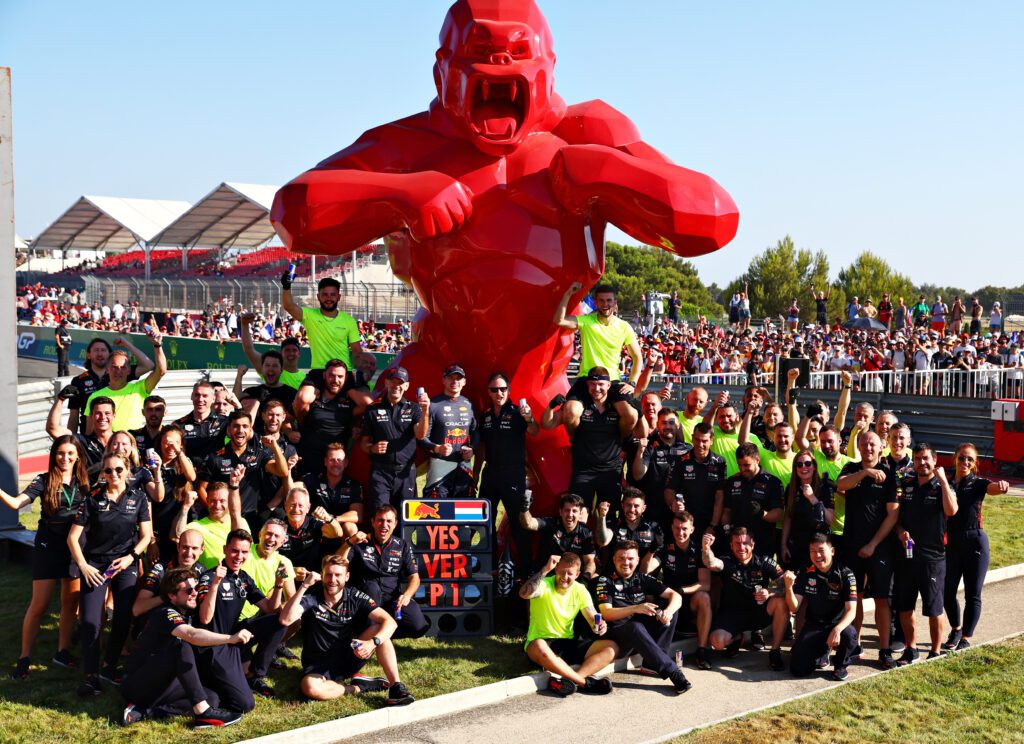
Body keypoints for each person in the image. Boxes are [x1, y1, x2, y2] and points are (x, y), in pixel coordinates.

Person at [66, 452, 153, 696]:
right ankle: (91, 676)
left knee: (123, 618)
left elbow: (146, 536)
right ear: (102, 473)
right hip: (95, 566)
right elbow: (72, 537)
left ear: (127, 470)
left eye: (118, 469)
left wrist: (131, 558)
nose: (113, 474)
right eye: (108, 470)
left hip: (125, 564)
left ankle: (109, 666)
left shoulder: (139, 497)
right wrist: (83, 566)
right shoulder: (92, 498)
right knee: (91, 621)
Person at [3, 436, 89, 680]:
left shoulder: (85, 482)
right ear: (54, 455)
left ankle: (62, 652)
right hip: (48, 546)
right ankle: (24, 657)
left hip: (75, 548)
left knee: (70, 602)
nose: (65, 458)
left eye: (70, 453)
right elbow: (17, 503)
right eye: (61, 453)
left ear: (78, 456)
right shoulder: (43, 480)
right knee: (39, 605)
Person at [279, 555, 415, 706]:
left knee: (380, 630)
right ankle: (358, 687)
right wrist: (304, 586)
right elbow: (285, 619)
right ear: (322, 575)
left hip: (349, 657)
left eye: (338, 575)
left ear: (347, 576)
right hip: (318, 665)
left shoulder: (354, 595)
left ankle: (396, 686)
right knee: (310, 688)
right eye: (328, 574)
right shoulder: (312, 596)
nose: (332, 580)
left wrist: (372, 643)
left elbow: (390, 622)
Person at [121, 568, 249, 728]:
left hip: (162, 684)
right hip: (138, 683)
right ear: (172, 596)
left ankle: (144, 712)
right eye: (188, 590)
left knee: (211, 698)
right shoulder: (164, 612)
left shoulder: (187, 614)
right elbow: (192, 635)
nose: (195, 593)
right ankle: (203, 714)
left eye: (195, 588)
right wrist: (231, 639)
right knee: (181, 644)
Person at [195, 529, 289, 704]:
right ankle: (213, 680)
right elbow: (205, 619)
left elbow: (270, 608)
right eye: (234, 550)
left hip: (237, 636)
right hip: (215, 644)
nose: (239, 556)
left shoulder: (243, 578)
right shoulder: (209, 577)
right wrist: (216, 584)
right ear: (224, 549)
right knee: (245, 703)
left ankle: (255, 674)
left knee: (280, 621)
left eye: (244, 552)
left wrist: (278, 585)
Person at [836, 430, 900, 669]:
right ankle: (855, 646)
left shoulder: (890, 476)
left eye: (872, 444)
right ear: (858, 447)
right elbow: (840, 485)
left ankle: (884, 651)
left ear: (881, 448)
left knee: (882, 599)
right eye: (864, 444)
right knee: (855, 598)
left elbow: (893, 515)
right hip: (851, 545)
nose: (868, 448)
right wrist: (864, 473)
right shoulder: (851, 468)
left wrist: (873, 545)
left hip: (880, 548)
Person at [593, 541, 690, 693]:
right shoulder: (605, 581)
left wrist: (668, 612)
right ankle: (672, 672)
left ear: (637, 560)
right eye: (621, 558)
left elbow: (676, 595)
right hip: (617, 637)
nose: (626, 563)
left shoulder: (642, 578)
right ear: (614, 560)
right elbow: (606, 613)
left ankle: (652, 663)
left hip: (641, 637)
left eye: (630, 559)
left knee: (669, 608)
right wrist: (636, 608)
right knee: (635, 626)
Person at [894, 443, 957, 664]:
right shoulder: (907, 484)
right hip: (907, 557)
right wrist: (901, 533)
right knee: (904, 605)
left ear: (935, 460)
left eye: (926, 459)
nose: (922, 463)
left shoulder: (942, 486)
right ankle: (911, 649)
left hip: (933, 558)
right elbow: (896, 520)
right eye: (918, 458)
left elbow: (952, 510)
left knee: (933, 608)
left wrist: (944, 481)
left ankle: (935, 652)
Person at [520, 553, 617, 696]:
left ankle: (567, 681)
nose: (565, 577)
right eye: (562, 572)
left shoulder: (580, 590)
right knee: (538, 644)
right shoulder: (544, 583)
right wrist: (545, 569)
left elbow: (591, 616)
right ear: (556, 569)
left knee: (611, 648)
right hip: (542, 645)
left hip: (567, 644)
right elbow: (524, 593)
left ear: (577, 574)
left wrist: (599, 625)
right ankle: (585, 683)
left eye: (570, 573)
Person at [943, 443, 1008, 652]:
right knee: (947, 591)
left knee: (973, 593)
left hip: (975, 542)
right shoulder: (945, 480)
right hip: (951, 543)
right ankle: (956, 628)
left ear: (975, 463)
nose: (965, 462)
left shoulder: (978, 483)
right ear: (955, 457)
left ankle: (966, 637)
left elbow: (993, 488)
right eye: (962, 458)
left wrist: (1002, 486)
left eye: (970, 459)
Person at [553, 283, 641, 435]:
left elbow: (637, 357)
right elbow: (559, 320)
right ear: (595, 302)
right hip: (586, 379)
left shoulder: (624, 326)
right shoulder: (587, 321)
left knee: (631, 416)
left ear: (615, 302)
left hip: (612, 381)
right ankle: (577, 443)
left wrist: (632, 383)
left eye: (608, 300)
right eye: (601, 300)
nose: (605, 304)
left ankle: (617, 446)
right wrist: (567, 294)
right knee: (570, 412)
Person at [541, 367, 628, 516]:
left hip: (610, 470)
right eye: (593, 385)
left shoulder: (617, 408)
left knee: (607, 518)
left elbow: (636, 425)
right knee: (579, 516)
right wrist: (551, 406)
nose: (597, 389)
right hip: (583, 470)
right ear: (587, 385)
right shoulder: (580, 406)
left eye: (601, 384)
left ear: (608, 385)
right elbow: (547, 424)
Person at [476, 371, 539, 578]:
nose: (499, 393)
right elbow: (481, 449)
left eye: (503, 389)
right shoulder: (484, 416)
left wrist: (529, 418)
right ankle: (490, 566)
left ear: (509, 391)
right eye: (494, 390)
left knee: (518, 522)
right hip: (490, 475)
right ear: (488, 392)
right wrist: (476, 475)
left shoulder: (518, 412)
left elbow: (535, 430)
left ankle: (525, 570)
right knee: (485, 523)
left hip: (513, 476)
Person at [701, 528, 791, 670]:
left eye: (745, 543)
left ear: (753, 544)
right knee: (717, 642)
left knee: (781, 602)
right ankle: (737, 638)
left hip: (759, 612)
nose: (741, 547)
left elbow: (785, 586)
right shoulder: (727, 561)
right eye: (737, 543)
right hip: (732, 613)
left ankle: (775, 651)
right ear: (731, 545)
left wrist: (769, 592)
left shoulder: (764, 561)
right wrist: (706, 548)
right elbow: (710, 562)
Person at [281, 274, 368, 420]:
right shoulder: (309, 315)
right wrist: (286, 286)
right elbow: (289, 306)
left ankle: (345, 425)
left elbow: (357, 351)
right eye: (325, 294)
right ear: (318, 297)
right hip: (318, 371)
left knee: (366, 404)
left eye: (333, 294)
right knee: (301, 400)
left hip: (343, 373)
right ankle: (304, 429)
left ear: (339, 297)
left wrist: (360, 375)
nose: (329, 298)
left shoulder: (349, 321)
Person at [341, 505, 428, 639]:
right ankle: (366, 632)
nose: (384, 525)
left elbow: (414, 577)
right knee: (372, 587)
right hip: (365, 599)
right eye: (380, 520)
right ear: (373, 522)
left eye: (389, 521)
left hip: (392, 599)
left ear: (395, 524)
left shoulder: (402, 545)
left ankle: (383, 632)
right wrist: (349, 543)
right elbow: (336, 562)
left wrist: (407, 595)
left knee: (418, 627)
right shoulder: (360, 542)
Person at [640, 511, 713, 669]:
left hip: (690, 600)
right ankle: (658, 656)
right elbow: (645, 571)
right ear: (672, 528)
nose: (680, 532)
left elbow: (705, 584)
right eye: (677, 528)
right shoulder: (666, 547)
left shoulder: (699, 550)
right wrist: (652, 550)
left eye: (684, 529)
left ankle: (702, 650)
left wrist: (682, 590)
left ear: (692, 529)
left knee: (704, 597)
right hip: (669, 601)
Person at [785, 534, 858, 680]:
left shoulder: (845, 573)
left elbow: (852, 611)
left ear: (832, 551)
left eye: (821, 550)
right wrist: (788, 588)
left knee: (850, 635)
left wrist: (837, 629)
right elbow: (794, 608)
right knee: (798, 669)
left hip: (837, 625)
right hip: (814, 625)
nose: (817, 555)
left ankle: (840, 666)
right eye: (812, 551)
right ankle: (821, 652)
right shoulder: (806, 571)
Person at [197, 410, 289, 526]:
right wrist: (217, 511)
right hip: (222, 520)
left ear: (251, 430)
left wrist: (275, 447)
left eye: (245, 426)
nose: (240, 430)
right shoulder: (215, 457)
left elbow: (283, 472)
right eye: (236, 426)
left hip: (249, 518)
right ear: (229, 429)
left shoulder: (258, 454)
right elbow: (201, 489)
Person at [360, 366, 424, 511]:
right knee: (380, 515)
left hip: (406, 472)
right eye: (393, 382)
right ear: (386, 383)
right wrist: (372, 448)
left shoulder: (414, 409)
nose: (396, 386)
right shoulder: (372, 408)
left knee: (405, 518)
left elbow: (420, 434)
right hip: (380, 472)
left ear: (406, 386)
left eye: (400, 383)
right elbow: (364, 443)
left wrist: (425, 411)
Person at [66, 337, 154, 434]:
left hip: (121, 438)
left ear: (109, 354)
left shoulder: (120, 372)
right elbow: (73, 415)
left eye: (103, 350)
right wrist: (72, 439)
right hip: (90, 436)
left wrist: (126, 344)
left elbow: (149, 365)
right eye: (96, 350)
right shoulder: (78, 381)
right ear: (88, 355)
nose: (100, 354)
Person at [84, 329, 167, 432]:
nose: (118, 371)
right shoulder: (95, 397)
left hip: (135, 446)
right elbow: (89, 432)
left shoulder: (140, 388)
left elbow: (161, 371)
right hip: (108, 447)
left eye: (123, 367)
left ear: (128, 370)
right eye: (114, 367)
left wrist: (157, 345)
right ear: (107, 370)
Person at [418, 364, 478, 499]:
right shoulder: (432, 404)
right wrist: (438, 448)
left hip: (464, 467)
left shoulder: (469, 404)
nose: (455, 382)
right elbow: (422, 438)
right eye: (451, 377)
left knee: (465, 515)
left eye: (458, 378)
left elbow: (476, 432)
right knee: (437, 514)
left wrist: (472, 449)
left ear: (464, 382)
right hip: (440, 467)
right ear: (443, 380)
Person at [629, 405, 690, 527]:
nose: (668, 426)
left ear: (678, 426)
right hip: (654, 513)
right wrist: (640, 451)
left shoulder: (688, 450)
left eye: (671, 423)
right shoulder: (650, 448)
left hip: (680, 515)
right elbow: (638, 475)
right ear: (658, 425)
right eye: (664, 423)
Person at [719, 443, 784, 558]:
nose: (743, 469)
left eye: (746, 465)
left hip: (762, 543)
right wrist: (725, 530)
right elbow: (727, 511)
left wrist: (761, 513)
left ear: (757, 460)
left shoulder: (772, 482)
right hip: (738, 544)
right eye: (739, 465)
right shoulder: (732, 481)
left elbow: (778, 514)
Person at [664, 422, 727, 540]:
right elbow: (669, 490)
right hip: (685, 524)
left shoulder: (720, 463)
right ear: (692, 438)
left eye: (704, 441)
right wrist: (673, 503)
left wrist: (713, 525)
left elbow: (720, 497)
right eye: (697, 440)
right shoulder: (681, 460)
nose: (700, 444)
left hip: (709, 522)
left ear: (711, 440)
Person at [296, 359, 358, 477]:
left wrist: (356, 426)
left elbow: (366, 406)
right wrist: (290, 431)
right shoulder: (313, 398)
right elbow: (289, 416)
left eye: (340, 376)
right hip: (309, 462)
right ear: (324, 375)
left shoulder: (350, 402)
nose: (335, 380)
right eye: (331, 375)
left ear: (346, 378)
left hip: (335, 465)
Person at [175, 479, 249, 571]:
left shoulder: (242, 522)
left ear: (229, 501)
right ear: (207, 500)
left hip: (240, 580)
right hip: (210, 581)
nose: (217, 505)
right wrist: (185, 507)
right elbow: (178, 535)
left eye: (222, 501)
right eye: (213, 501)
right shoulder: (197, 526)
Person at [133, 528, 205, 620]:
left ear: (202, 550)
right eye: (185, 547)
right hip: (160, 621)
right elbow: (137, 609)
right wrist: (172, 596)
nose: (189, 553)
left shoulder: (203, 574)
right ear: (178, 547)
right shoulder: (161, 569)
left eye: (194, 548)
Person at [277, 485, 354, 571]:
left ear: (308, 508)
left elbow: (337, 533)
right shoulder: (276, 527)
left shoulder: (314, 524)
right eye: (292, 504)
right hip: (285, 578)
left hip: (314, 578)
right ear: (285, 505)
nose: (296, 509)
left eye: (300, 506)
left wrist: (328, 518)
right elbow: (267, 560)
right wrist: (291, 572)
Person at [521, 492, 597, 578]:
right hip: (546, 576)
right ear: (560, 512)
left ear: (580, 514)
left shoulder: (585, 533)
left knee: (596, 577)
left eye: (574, 511)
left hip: (570, 579)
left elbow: (590, 561)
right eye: (567, 510)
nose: (570, 514)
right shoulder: (550, 524)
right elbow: (528, 524)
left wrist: (585, 578)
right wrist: (524, 509)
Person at [780, 450, 834, 569]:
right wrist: (783, 545)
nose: (803, 467)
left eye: (808, 463)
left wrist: (812, 498)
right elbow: (788, 517)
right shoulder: (791, 488)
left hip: (817, 547)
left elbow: (830, 520)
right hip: (796, 545)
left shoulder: (825, 486)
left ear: (814, 466)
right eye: (799, 464)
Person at [46, 393, 115, 483]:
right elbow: (53, 429)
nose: (103, 417)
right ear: (91, 415)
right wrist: (60, 399)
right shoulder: (81, 441)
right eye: (98, 413)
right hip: (90, 494)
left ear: (114, 415)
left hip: (121, 494)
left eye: (107, 413)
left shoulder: (122, 440)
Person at [302, 443, 364, 526]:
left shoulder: (353, 485)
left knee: (350, 526)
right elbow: (293, 489)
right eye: (332, 460)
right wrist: (288, 471)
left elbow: (358, 515)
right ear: (325, 461)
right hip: (315, 527)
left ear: (346, 463)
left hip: (340, 528)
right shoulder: (313, 479)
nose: (336, 464)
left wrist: (331, 519)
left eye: (339, 460)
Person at [595, 487, 664, 560]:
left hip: (642, 570)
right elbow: (602, 541)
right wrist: (602, 516)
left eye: (636, 506)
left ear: (643, 508)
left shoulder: (653, 527)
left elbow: (658, 554)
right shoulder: (614, 523)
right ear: (622, 505)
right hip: (615, 570)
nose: (632, 509)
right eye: (628, 505)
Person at [175, 380, 229, 460]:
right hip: (190, 471)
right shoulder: (178, 425)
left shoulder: (224, 422)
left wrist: (238, 407)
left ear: (213, 399)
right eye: (197, 395)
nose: (200, 399)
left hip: (215, 471)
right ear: (192, 396)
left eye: (205, 396)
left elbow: (244, 432)